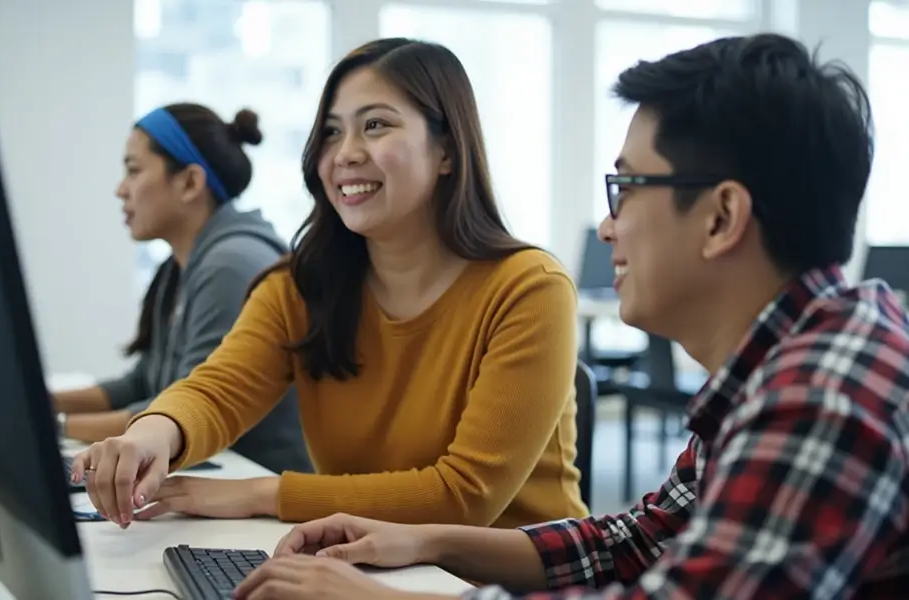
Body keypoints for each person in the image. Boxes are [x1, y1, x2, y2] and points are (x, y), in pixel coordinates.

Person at [229, 32, 909, 600]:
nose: (609, 229)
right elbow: (639, 542)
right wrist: (419, 540)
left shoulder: (823, 391)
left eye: (628, 188)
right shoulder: (782, 363)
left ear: (722, 217)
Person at [70, 38, 588, 530]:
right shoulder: (298, 287)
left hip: (516, 584)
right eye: (333, 132)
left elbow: (464, 496)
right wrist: (151, 433)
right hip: (372, 559)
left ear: (447, 150)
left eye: (376, 126)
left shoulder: (528, 289)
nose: (345, 154)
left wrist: (258, 495)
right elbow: (219, 390)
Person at [54, 103, 311, 475]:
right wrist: (42, 404)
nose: (120, 189)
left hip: (255, 484)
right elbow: (141, 381)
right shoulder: (180, 266)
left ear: (190, 182)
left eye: (133, 170)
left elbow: (186, 407)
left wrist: (56, 426)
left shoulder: (232, 265)